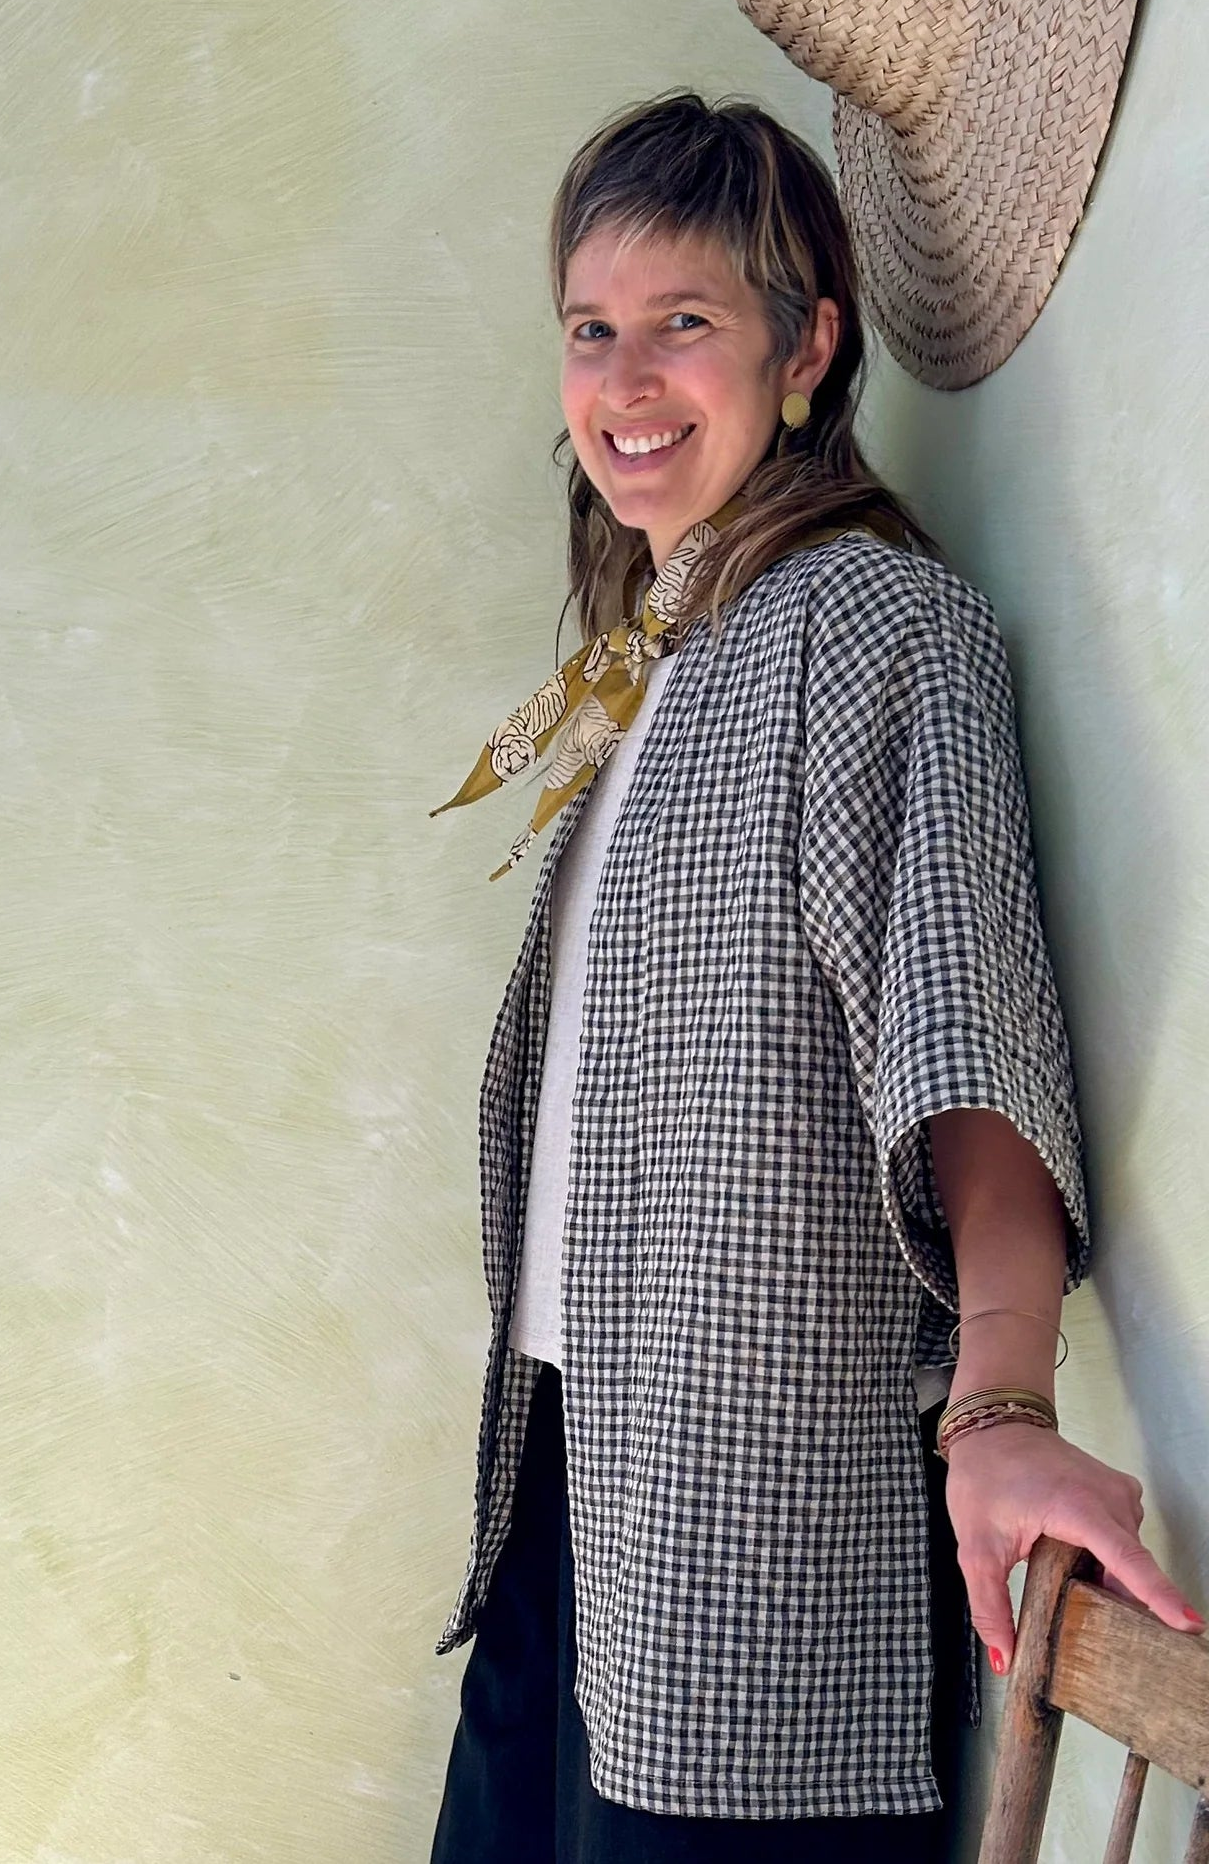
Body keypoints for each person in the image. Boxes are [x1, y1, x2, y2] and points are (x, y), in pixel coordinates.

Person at [426, 92, 1202, 1863]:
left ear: (804, 350)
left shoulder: (867, 623)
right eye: (589, 329)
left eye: (681, 321)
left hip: (758, 1527)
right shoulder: (660, 658)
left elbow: (965, 1041)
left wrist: (998, 1406)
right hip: (567, 1472)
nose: (624, 378)